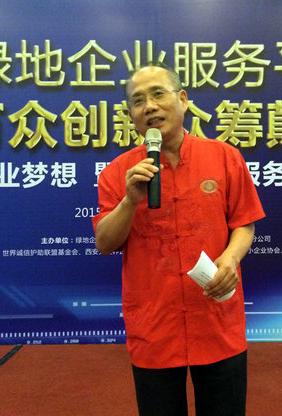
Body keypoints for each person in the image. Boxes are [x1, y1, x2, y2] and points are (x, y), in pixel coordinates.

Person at [92, 61, 265, 416]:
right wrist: (130, 201)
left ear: (183, 100)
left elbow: (244, 224)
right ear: (131, 116)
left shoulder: (224, 157)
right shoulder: (117, 173)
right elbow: (104, 243)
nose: (149, 106)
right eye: (138, 101)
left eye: (158, 94)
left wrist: (230, 258)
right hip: (155, 327)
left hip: (216, 319)